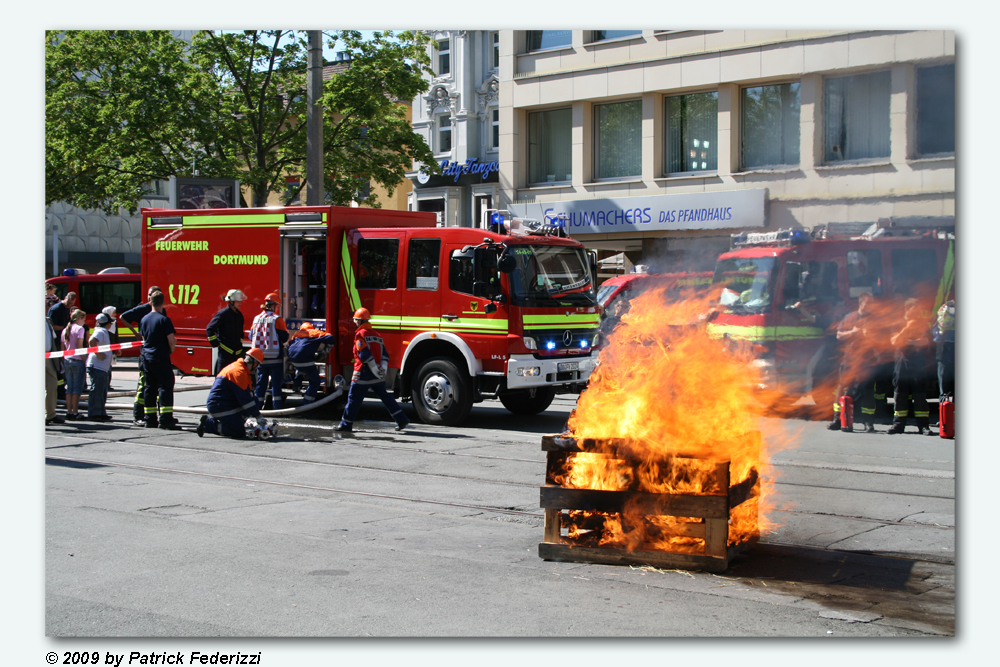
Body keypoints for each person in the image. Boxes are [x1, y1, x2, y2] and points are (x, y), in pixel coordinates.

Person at [335, 308, 409, 432]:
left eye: (355, 320)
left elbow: (364, 356)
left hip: (362, 374)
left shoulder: (360, 335)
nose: (354, 322)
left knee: (353, 399)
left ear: (358, 321)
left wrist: (374, 368)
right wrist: (382, 369)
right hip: (377, 376)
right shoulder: (376, 335)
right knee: (386, 397)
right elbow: (385, 354)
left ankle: (346, 424)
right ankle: (401, 419)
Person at [830, 292, 878, 433]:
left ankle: (869, 423)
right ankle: (838, 419)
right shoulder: (850, 318)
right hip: (850, 359)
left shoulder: (875, 319)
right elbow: (839, 335)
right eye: (868, 303)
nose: (871, 306)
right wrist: (853, 332)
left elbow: (881, 339)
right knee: (844, 388)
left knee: (868, 391)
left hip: (867, 361)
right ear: (861, 303)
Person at [888, 298, 934, 435]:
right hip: (901, 363)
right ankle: (898, 425)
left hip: (918, 363)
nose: (918, 313)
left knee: (920, 395)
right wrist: (908, 327)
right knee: (900, 395)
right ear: (907, 309)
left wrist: (908, 342)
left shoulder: (922, 324)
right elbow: (895, 342)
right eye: (916, 310)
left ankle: (923, 426)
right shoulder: (897, 324)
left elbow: (925, 342)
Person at [197, 348, 265, 439]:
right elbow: (245, 399)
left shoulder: (241, 369)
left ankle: (234, 422)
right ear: (254, 363)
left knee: (254, 400)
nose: (257, 368)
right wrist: (258, 416)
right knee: (238, 432)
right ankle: (208, 425)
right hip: (219, 406)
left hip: (224, 402)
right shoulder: (239, 372)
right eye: (258, 365)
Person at [138, 290, 179, 429]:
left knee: (150, 388)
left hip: (147, 358)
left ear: (150, 302)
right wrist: (171, 350)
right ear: (163, 303)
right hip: (161, 357)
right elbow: (171, 341)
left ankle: (150, 419)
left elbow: (143, 339)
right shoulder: (164, 320)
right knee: (165, 388)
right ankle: (166, 420)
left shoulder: (144, 319)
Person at [122, 286, 163, 425]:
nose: (151, 298)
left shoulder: (161, 310)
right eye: (149, 295)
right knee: (143, 385)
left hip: (157, 353)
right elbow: (123, 317)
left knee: (155, 386)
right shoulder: (143, 309)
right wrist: (136, 333)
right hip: (145, 353)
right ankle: (138, 414)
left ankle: (153, 414)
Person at [249, 292, 288, 410]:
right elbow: (284, 337)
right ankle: (277, 407)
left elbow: (251, 336)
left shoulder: (256, 318)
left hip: (259, 357)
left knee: (261, 383)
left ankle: (258, 406)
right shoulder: (277, 319)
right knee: (276, 383)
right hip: (274, 357)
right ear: (274, 305)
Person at [287, 323, 336, 405]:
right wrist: (326, 349)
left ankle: (296, 385)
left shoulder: (297, 333)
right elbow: (330, 337)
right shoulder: (314, 332)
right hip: (305, 358)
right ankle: (307, 403)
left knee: (301, 368)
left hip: (292, 357)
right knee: (315, 381)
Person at [207, 289, 247, 375]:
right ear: (231, 301)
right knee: (222, 377)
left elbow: (240, 332)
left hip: (237, 354)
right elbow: (210, 329)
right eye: (238, 301)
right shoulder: (223, 314)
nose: (240, 303)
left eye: (240, 301)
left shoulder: (239, 315)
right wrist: (216, 344)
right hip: (225, 353)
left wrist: (240, 344)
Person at [86, 312, 114, 422]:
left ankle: (101, 412)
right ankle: (94, 413)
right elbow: (92, 341)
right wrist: (98, 353)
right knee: (97, 390)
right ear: (106, 324)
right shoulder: (100, 331)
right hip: (97, 366)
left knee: (101, 391)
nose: (111, 324)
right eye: (110, 323)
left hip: (102, 367)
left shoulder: (103, 331)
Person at [61, 308, 88, 421]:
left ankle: (69, 411)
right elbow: (79, 346)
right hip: (77, 360)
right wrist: (84, 360)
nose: (84, 322)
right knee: (77, 389)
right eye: (84, 319)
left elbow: (62, 347)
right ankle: (75, 411)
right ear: (79, 318)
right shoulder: (80, 329)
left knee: (69, 388)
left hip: (67, 360)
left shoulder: (65, 330)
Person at [933, 300, 955, 399]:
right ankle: (944, 408)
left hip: (947, 353)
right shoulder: (942, 315)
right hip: (944, 353)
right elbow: (944, 324)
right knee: (944, 388)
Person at [45, 316, 64, 425]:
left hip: (48, 356)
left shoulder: (47, 321)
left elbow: (52, 339)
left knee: (52, 385)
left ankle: (50, 414)